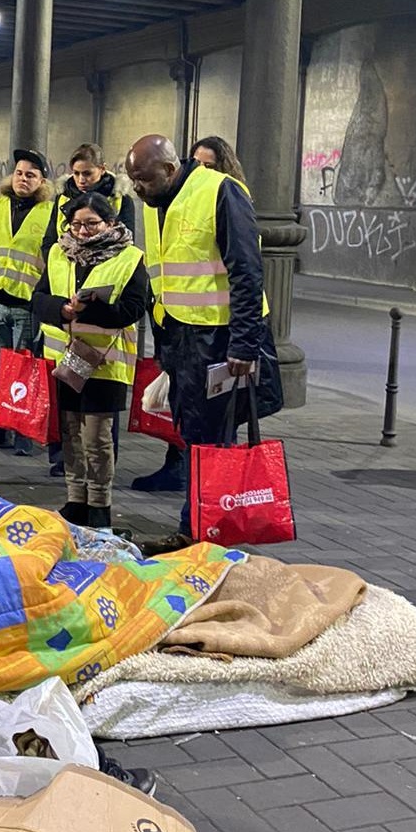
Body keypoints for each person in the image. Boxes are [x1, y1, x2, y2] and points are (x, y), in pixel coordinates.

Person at [123, 133, 281, 535]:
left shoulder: (220, 192)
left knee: (213, 443)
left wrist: (245, 344)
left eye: (144, 179)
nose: (138, 189)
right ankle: (200, 525)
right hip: (185, 340)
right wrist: (166, 352)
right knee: (195, 436)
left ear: (170, 169)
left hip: (222, 340)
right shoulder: (159, 201)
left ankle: (202, 531)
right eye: (134, 181)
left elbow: (247, 271)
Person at [28, 192, 150, 529]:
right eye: (76, 224)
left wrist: (91, 308)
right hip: (66, 361)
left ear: (109, 223)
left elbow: (134, 308)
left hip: (106, 362)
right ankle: (75, 499)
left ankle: (99, 505)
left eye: (92, 223)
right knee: (70, 433)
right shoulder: (58, 252)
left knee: (97, 437)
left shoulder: (129, 257)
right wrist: (61, 310)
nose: (82, 231)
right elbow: (37, 299)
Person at [0, 150, 59, 458]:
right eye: (20, 173)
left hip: (26, 303)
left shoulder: (51, 212)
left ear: (42, 181)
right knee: (1, 367)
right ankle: (1, 425)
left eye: (31, 175)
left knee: (26, 368)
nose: (23, 179)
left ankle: (24, 430)